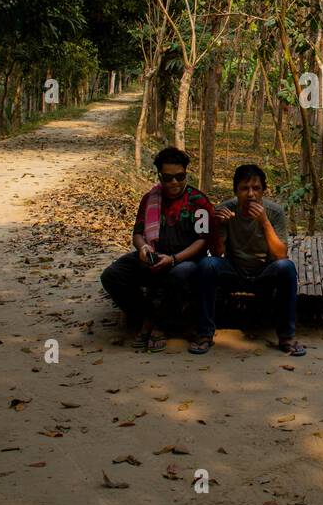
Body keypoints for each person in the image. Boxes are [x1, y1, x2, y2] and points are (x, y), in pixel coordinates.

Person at [100, 146, 211, 352]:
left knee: (180, 274)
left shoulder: (198, 201)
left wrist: (174, 259)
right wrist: (142, 248)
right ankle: (147, 316)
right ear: (160, 175)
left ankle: (161, 325)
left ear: (186, 173)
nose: (174, 183)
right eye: (168, 178)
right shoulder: (150, 199)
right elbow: (138, 233)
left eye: (179, 177)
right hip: (153, 255)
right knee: (112, 275)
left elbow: (203, 241)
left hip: (185, 259)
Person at [192, 164, 304, 356]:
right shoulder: (225, 210)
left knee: (287, 267)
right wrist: (218, 225)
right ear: (236, 191)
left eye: (256, 188)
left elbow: (281, 255)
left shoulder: (274, 211)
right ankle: (204, 334)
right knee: (207, 265)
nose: (251, 194)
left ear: (263, 190)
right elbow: (217, 254)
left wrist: (264, 222)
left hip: (264, 274)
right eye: (244, 188)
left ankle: (286, 337)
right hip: (234, 271)